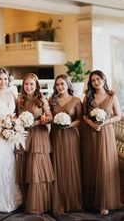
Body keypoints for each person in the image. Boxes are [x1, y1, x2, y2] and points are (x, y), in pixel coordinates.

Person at [82, 70, 122, 215]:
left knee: (105, 165)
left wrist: (105, 121)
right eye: (93, 81)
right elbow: (84, 116)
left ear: (103, 80)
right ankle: (92, 201)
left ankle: (105, 203)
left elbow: (118, 116)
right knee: (92, 164)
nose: (96, 82)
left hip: (106, 133)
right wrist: (91, 124)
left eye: (98, 79)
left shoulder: (112, 96)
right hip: (91, 134)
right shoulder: (88, 97)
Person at [17, 73, 54, 214]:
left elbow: (50, 117)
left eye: (32, 84)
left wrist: (39, 121)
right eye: (26, 84)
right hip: (25, 136)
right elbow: (15, 117)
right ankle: (26, 201)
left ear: (36, 85)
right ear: (23, 85)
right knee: (26, 166)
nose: (29, 86)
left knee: (37, 168)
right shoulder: (20, 100)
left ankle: (39, 203)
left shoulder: (41, 100)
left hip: (39, 135)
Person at [0, 68, 22, 212]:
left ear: (9, 80)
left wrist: (13, 126)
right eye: (0, 79)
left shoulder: (13, 95)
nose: (3, 82)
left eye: (5, 79)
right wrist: (3, 126)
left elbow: (16, 115)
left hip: (11, 136)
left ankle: (11, 197)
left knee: (11, 164)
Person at [49, 74, 83, 214]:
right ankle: (58, 201)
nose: (59, 87)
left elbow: (80, 120)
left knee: (70, 166)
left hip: (70, 136)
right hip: (56, 136)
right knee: (57, 166)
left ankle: (72, 200)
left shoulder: (76, 100)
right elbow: (48, 117)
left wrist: (68, 124)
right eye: (57, 84)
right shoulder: (52, 100)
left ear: (68, 84)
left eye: (62, 84)